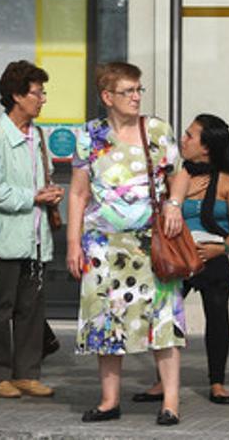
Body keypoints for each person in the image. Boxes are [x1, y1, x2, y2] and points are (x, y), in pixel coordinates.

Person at [67, 62, 185, 426]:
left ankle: (170, 402)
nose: (136, 97)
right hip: (102, 245)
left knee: (163, 320)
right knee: (106, 320)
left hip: (151, 243)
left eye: (138, 90)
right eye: (128, 91)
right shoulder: (89, 136)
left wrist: (174, 203)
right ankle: (109, 400)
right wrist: (73, 243)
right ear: (107, 97)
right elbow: (78, 193)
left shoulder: (156, 130)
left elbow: (180, 175)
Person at [135, 113, 229, 406]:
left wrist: (221, 248)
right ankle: (163, 380)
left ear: (207, 147)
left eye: (189, 135)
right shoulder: (178, 174)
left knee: (216, 312)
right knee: (163, 313)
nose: (183, 140)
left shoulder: (228, 181)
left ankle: (217, 382)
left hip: (212, 254)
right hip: (179, 255)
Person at [0, 60, 64, 399]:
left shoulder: (38, 135)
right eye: (37, 93)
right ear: (16, 96)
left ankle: (27, 373)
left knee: (32, 308)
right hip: (6, 237)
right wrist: (34, 196)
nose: (42, 99)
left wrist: (50, 192)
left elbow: (39, 180)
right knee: (0, 309)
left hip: (36, 237)